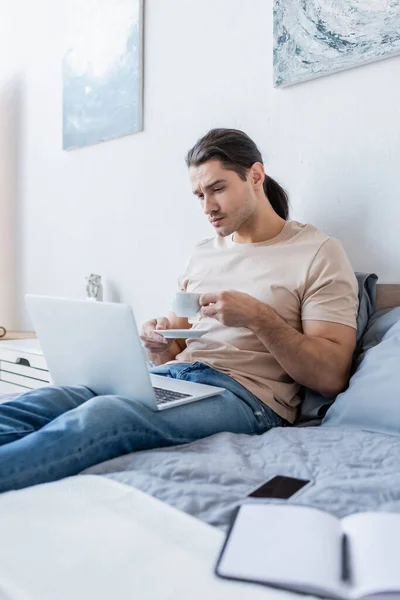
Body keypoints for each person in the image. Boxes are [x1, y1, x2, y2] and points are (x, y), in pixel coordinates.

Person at [0, 129, 358, 493]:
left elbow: (330, 376)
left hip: (248, 399)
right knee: (50, 399)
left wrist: (258, 317)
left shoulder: (317, 252)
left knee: (104, 416)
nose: (207, 208)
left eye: (217, 189)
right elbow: (179, 344)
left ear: (255, 176)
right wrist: (159, 343)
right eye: (199, 195)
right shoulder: (203, 253)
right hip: (175, 377)